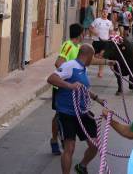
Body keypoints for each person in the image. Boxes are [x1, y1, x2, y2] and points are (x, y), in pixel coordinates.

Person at [47, 44, 103, 174]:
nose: (92, 59)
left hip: (83, 112)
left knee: (94, 144)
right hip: (68, 113)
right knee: (70, 148)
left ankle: (82, 166)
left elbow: (83, 88)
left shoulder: (83, 68)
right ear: (87, 55)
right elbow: (51, 78)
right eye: (92, 57)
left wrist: (97, 98)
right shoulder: (70, 65)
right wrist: (69, 85)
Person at [90, 8, 114, 78]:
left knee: (102, 56)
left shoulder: (109, 22)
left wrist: (112, 37)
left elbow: (111, 32)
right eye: (103, 12)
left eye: (106, 12)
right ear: (101, 13)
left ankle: (100, 72)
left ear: (107, 14)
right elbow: (91, 28)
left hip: (105, 42)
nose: (104, 13)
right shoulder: (97, 20)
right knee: (94, 56)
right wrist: (94, 32)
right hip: (96, 41)